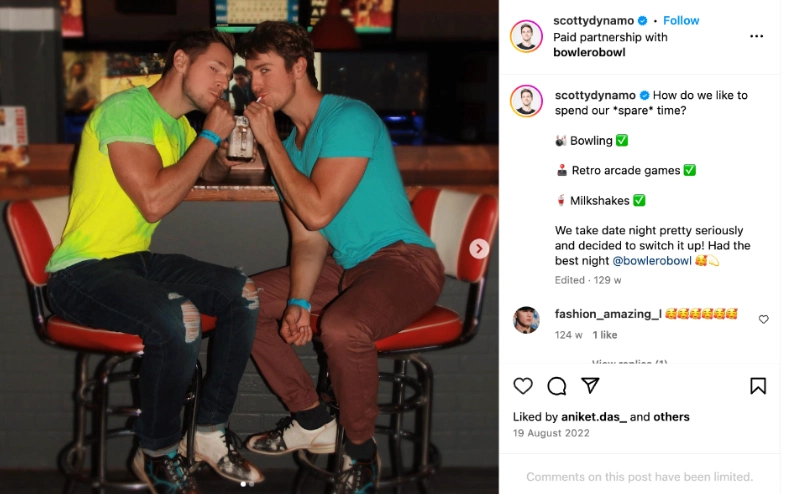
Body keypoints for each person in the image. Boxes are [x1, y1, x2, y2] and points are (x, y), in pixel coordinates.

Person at [45, 29, 264, 493]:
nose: (223, 82)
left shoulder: (177, 126)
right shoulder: (126, 111)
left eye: (228, 74)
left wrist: (220, 152)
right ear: (181, 61)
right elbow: (154, 202)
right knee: (178, 317)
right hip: (80, 271)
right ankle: (159, 452)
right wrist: (209, 135)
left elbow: (206, 170)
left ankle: (207, 432)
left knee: (240, 292)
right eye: (216, 69)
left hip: (132, 262)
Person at [237, 21, 445, 494]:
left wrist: (268, 143)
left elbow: (318, 208)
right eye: (251, 74)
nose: (257, 85)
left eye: (266, 70)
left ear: (300, 67)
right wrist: (299, 301)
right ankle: (312, 418)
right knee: (240, 301)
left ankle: (361, 450)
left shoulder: (349, 118)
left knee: (343, 327)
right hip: (347, 267)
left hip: (404, 261)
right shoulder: (290, 147)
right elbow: (310, 237)